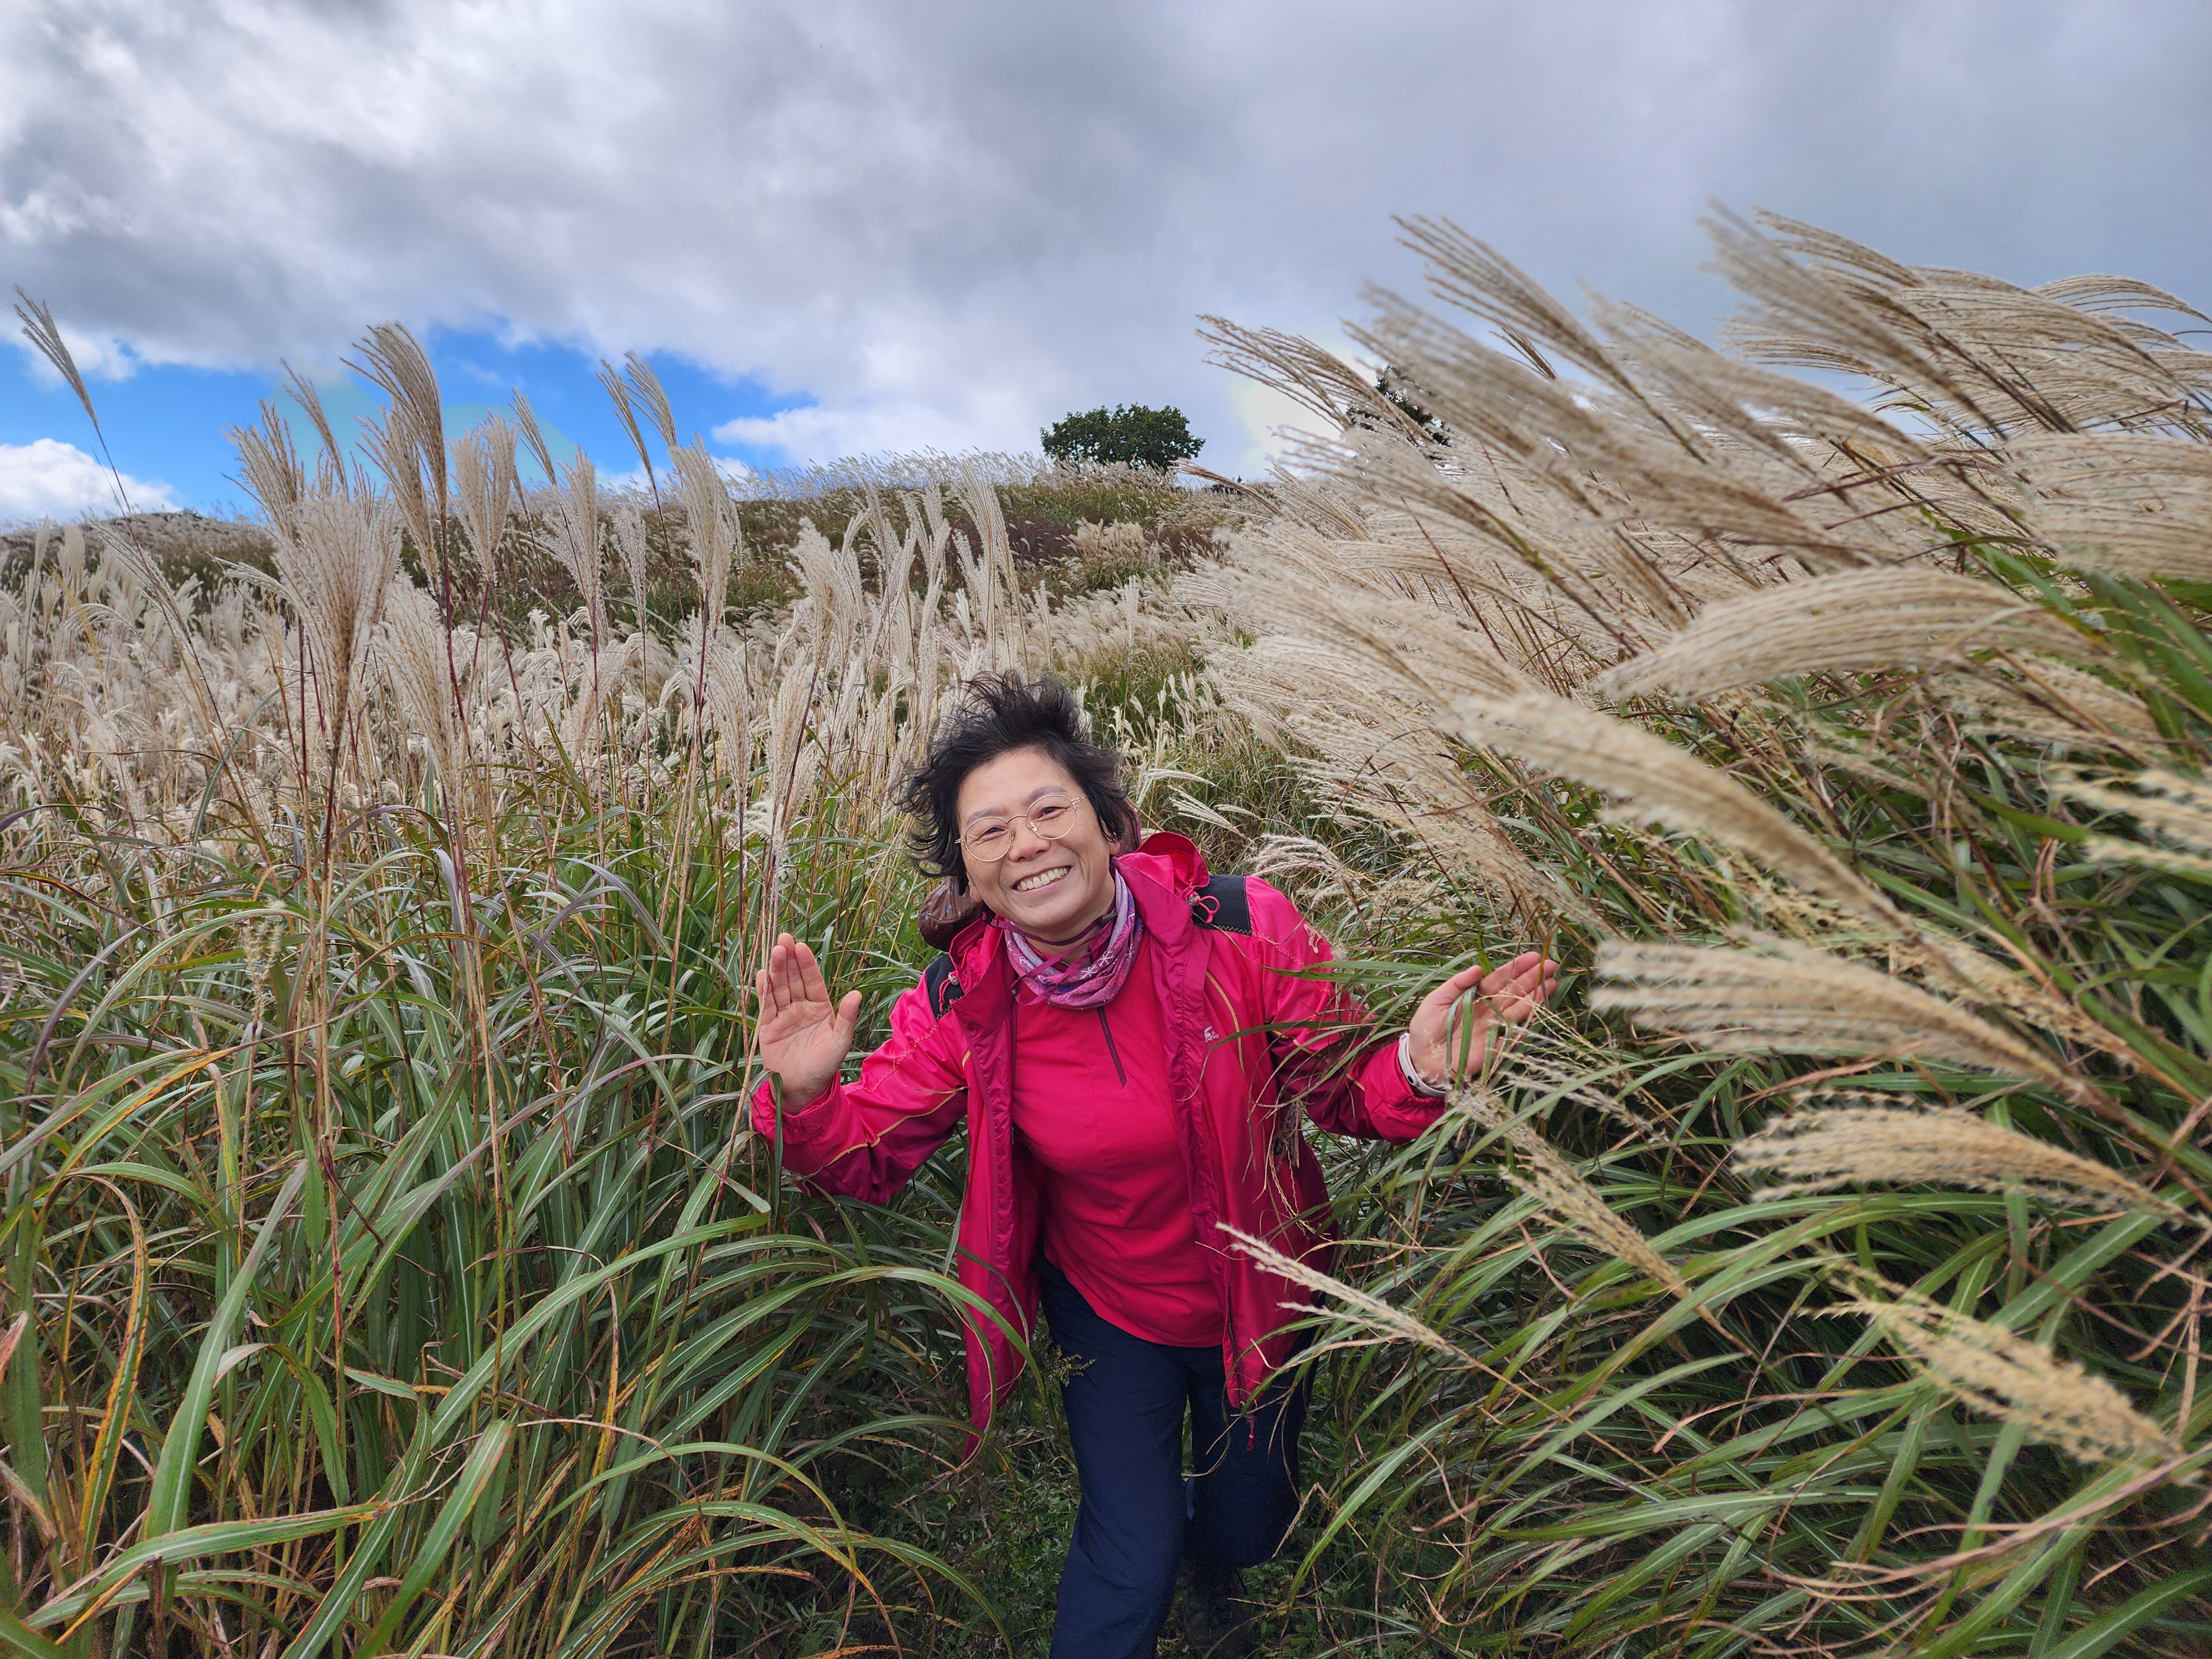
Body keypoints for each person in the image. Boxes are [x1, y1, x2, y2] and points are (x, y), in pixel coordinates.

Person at [753, 674, 1557, 1659]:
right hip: (1108, 1307)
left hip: (1266, 1289)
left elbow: (1350, 1091)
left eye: (1049, 810)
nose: (1027, 844)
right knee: (1129, 1552)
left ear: (1109, 821)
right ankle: (1155, 1560)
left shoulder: (1242, 928)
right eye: (990, 832)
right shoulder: (966, 999)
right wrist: (805, 1097)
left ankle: (1217, 1569)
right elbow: (865, 1155)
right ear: (967, 873)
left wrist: (1420, 1067)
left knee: (1248, 1523)